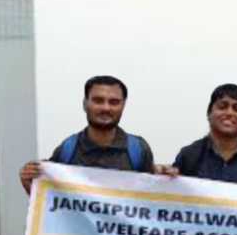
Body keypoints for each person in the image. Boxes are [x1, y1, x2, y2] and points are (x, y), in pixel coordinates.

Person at [19, 75, 155, 194]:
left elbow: (152, 204)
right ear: (85, 104)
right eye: (98, 100)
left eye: (114, 102)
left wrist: (168, 178)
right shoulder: (68, 150)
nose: (105, 108)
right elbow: (52, 207)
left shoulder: (138, 150)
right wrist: (29, 181)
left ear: (123, 106)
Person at [156, 83, 237, 186]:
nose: (229, 113)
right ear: (209, 114)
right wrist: (164, 179)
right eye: (222, 106)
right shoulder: (190, 155)